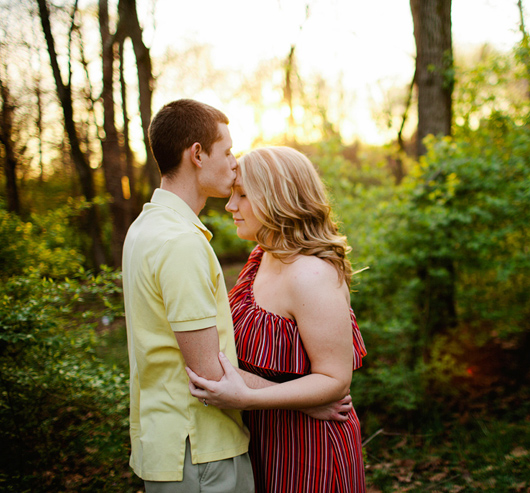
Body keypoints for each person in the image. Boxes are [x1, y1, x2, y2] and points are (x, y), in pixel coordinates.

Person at [186, 146, 368, 492]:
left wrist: (249, 399)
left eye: (242, 195)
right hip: (264, 436)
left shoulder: (310, 275)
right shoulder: (261, 257)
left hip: (310, 447)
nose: (229, 206)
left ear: (276, 198)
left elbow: (335, 380)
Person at [122, 99, 253, 492]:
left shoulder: (145, 228)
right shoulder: (181, 242)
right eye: (227, 151)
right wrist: (304, 399)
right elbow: (211, 378)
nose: (234, 163)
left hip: (170, 445)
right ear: (196, 154)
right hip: (200, 452)